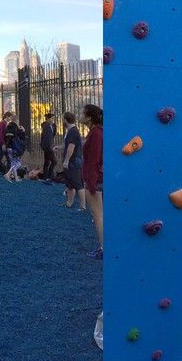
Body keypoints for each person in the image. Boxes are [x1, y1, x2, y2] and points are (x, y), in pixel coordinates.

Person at [82, 105, 103, 260]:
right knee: (99, 215)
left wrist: (91, 182)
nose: (80, 116)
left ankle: (103, 248)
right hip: (97, 177)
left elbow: (94, 159)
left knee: (97, 215)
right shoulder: (97, 132)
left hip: (94, 179)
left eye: (83, 113)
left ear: (89, 117)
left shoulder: (95, 133)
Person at [61, 112, 85, 208]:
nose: (62, 121)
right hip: (73, 161)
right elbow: (68, 146)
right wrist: (59, 147)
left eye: (63, 119)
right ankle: (69, 203)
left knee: (78, 184)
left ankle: (83, 206)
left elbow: (71, 147)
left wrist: (66, 160)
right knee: (70, 184)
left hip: (73, 161)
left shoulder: (73, 132)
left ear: (66, 120)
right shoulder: (71, 131)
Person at [4, 116, 25, 182]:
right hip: (14, 148)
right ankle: (8, 174)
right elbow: (22, 138)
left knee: (13, 163)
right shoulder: (16, 128)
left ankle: (16, 178)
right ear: (16, 121)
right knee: (18, 163)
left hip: (8, 147)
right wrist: (23, 131)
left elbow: (6, 137)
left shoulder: (7, 128)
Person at [40, 113, 57, 182]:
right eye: (52, 118)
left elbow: (53, 135)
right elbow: (46, 137)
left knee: (47, 161)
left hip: (48, 145)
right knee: (54, 161)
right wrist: (48, 146)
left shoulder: (51, 126)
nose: (53, 120)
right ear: (48, 119)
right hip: (47, 146)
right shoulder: (46, 126)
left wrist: (55, 127)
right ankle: (50, 175)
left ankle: (45, 176)